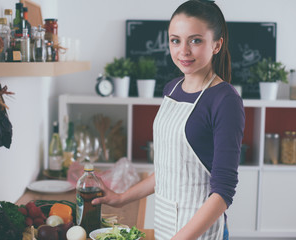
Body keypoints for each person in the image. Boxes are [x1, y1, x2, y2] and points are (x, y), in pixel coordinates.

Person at [92, 0, 245, 239]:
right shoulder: (172, 88)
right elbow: (170, 171)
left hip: (199, 234)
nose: (183, 50)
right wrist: (121, 199)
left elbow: (223, 193)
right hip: (165, 226)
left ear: (217, 44)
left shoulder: (225, 100)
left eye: (195, 40)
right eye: (175, 40)